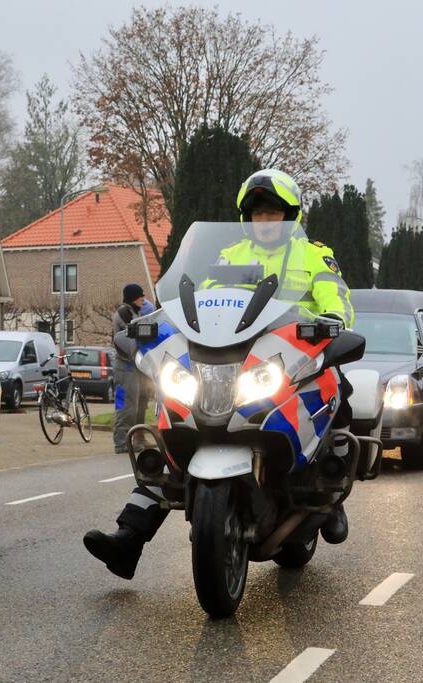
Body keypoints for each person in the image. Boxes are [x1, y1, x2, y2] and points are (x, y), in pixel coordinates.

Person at [83, 169, 354, 579]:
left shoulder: (313, 254)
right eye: (259, 214)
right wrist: (156, 325)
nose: (266, 222)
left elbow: (337, 300)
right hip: (227, 360)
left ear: (291, 215)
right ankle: (127, 541)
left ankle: (331, 497)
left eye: (274, 213)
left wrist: (332, 322)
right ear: (247, 218)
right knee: (174, 428)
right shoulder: (230, 256)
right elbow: (193, 302)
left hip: (286, 355)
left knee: (338, 390)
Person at [112, 284, 152, 454]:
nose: (143, 299)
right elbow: (136, 332)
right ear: (132, 297)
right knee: (125, 406)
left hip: (135, 366)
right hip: (125, 367)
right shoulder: (124, 313)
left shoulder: (135, 311)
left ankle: (137, 438)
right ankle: (121, 442)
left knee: (139, 404)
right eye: (140, 296)